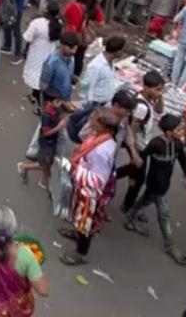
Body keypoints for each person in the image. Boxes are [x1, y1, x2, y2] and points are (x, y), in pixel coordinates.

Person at [123, 114, 186, 265]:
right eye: (178, 130)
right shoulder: (156, 144)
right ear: (168, 132)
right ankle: (169, 245)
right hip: (155, 184)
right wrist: (134, 175)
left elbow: (184, 165)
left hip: (164, 184)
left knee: (145, 200)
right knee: (164, 213)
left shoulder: (178, 145)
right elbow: (141, 159)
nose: (182, 132)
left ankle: (129, 217)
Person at [58, 108, 120, 266]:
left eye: (94, 119)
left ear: (104, 127)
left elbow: (97, 180)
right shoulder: (100, 138)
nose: (90, 120)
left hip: (90, 192)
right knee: (79, 216)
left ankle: (81, 253)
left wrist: (74, 169)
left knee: (85, 221)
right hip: (83, 184)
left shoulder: (101, 152)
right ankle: (77, 234)